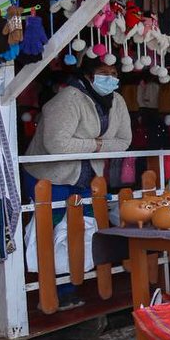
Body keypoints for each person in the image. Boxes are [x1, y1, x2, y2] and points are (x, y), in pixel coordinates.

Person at [25, 58, 132, 309]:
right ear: (88, 76)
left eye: (114, 73)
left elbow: (124, 140)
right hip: (50, 176)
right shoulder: (68, 100)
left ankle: (71, 284)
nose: (111, 77)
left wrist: (86, 146)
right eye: (103, 72)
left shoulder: (116, 101)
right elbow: (57, 144)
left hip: (86, 176)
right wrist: (96, 145)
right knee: (52, 231)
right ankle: (55, 292)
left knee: (83, 229)